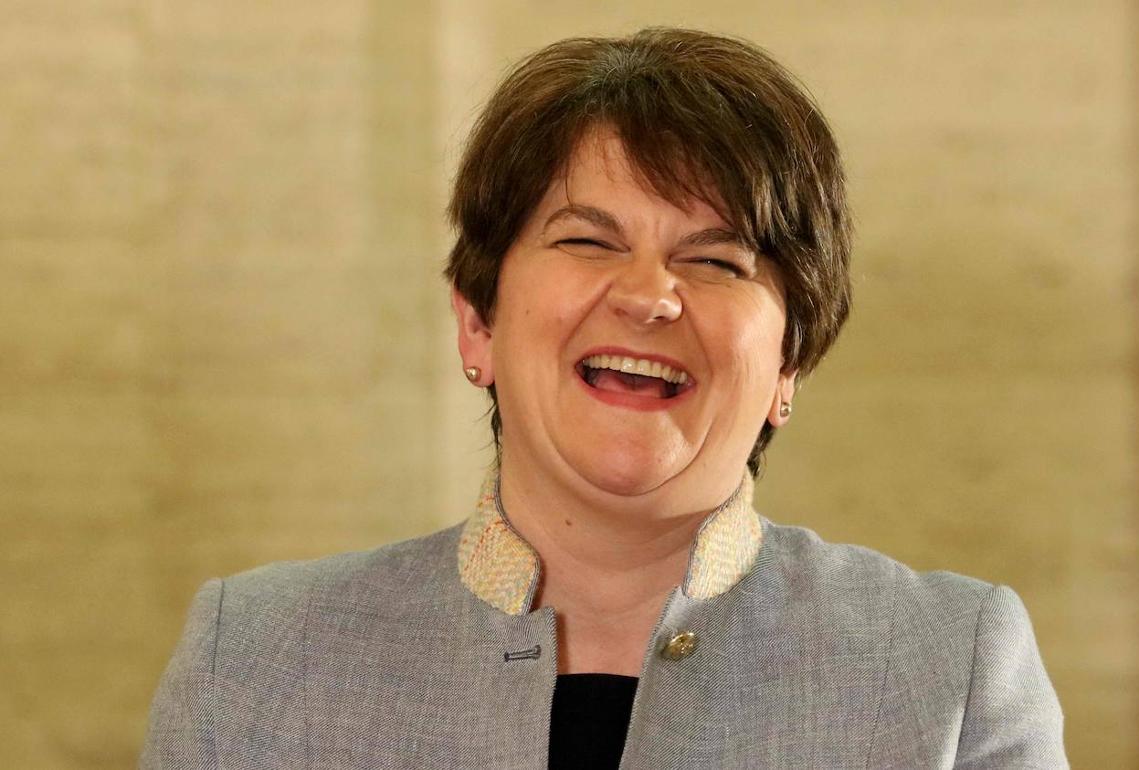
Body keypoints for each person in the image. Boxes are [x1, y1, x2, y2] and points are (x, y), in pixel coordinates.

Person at [142, 27, 1067, 768]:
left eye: (716, 261)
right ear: (477, 322)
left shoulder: (948, 665)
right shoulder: (259, 658)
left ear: (788, 365)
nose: (650, 295)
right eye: (587, 242)